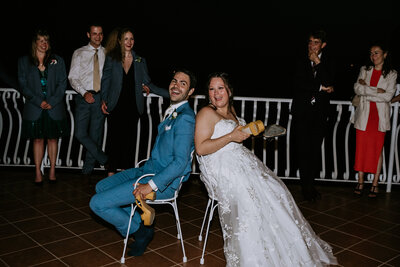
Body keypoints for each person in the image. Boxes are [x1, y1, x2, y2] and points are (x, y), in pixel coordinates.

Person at [195, 72, 338, 266]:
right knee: (252, 196)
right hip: (220, 168)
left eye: (220, 88)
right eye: (212, 89)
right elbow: (201, 148)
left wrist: (257, 135)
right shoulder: (206, 113)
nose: (216, 93)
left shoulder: (232, 111)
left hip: (240, 160)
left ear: (229, 91)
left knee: (275, 190)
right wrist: (230, 137)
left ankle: (286, 248)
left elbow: (239, 136)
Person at [90, 68, 196, 256]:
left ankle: (140, 231)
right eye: (174, 81)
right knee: (101, 186)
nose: (176, 86)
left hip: (162, 183)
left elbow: (180, 163)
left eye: (183, 83)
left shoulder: (186, 118)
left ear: (191, 91)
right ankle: (138, 224)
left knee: (97, 204)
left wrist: (150, 186)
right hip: (147, 169)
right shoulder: (174, 111)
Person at [100, 27, 169, 176]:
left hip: (133, 107)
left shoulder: (140, 60)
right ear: (119, 41)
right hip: (115, 105)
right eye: (126, 39)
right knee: (113, 140)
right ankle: (111, 173)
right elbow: (105, 80)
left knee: (129, 141)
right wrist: (103, 100)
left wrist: (171, 93)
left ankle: (125, 175)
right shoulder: (112, 58)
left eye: (131, 39)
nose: (129, 42)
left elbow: (148, 83)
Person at [18, 28, 68, 184]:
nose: (44, 43)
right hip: (35, 107)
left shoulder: (58, 60)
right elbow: (23, 85)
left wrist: (51, 101)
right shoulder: (24, 61)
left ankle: (52, 171)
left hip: (54, 107)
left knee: (53, 139)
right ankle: (38, 172)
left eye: (46, 40)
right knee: (38, 140)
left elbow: (62, 83)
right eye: (40, 40)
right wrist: (38, 101)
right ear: (35, 42)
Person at [291, 29, 335, 202]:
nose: (311, 45)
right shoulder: (300, 60)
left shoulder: (329, 61)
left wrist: (318, 62)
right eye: (310, 42)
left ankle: (311, 184)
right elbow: (297, 83)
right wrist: (319, 88)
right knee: (303, 150)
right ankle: (306, 188)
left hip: (320, 114)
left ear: (323, 45)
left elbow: (329, 81)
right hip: (302, 113)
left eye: (315, 42)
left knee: (315, 151)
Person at [351, 43, 397, 197]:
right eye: (371, 53)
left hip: (379, 117)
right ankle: (361, 181)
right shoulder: (365, 70)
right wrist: (376, 90)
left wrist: (367, 90)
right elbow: (357, 88)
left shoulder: (391, 74)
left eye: (377, 53)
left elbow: (388, 96)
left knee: (377, 150)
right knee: (361, 148)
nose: (373, 56)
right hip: (364, 114)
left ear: (385, 54)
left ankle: (375, 183)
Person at [68, 23, 108, 175]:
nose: (97, 37)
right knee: (80, 133)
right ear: (88, 35)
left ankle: (87, 171)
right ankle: (105, 159)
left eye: (100, 34)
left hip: (100, 98)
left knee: (95, 135)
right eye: (94, 34)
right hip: (84, 97)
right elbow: (72, 77)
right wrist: (84, 93)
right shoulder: (79, 52)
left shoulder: (107, 53)